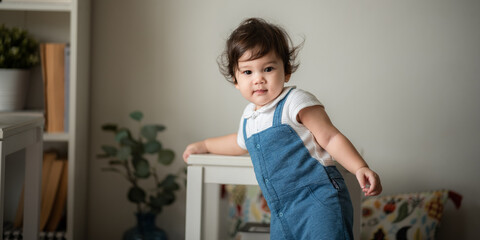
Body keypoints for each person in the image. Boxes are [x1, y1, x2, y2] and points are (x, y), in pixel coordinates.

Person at [183, 17, 382, 240]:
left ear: (286, 71)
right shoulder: (249, 117)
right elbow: (238, 143)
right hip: (281, 210)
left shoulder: (295, 101)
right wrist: (204, 145)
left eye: (267, 69)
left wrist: (359, 167)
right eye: (248, 72)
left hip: (318, 200)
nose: (258, 79)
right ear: (236, 80)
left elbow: (331, 137)